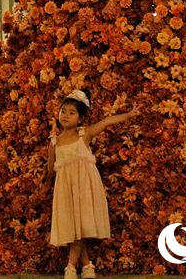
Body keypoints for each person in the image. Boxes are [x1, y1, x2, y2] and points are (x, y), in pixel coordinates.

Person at [47, 89, 139, 279]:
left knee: (81, 226)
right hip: (66, 190)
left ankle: (71, 267)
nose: (65, 115)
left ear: (80, 118)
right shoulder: (55, 142)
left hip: (85, 187)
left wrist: (129, 115)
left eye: (72, 112)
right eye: (63, 111)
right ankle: (87, 266)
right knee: (75, 227)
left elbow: (106, 122)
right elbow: (50, 168)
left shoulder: (84, 134)